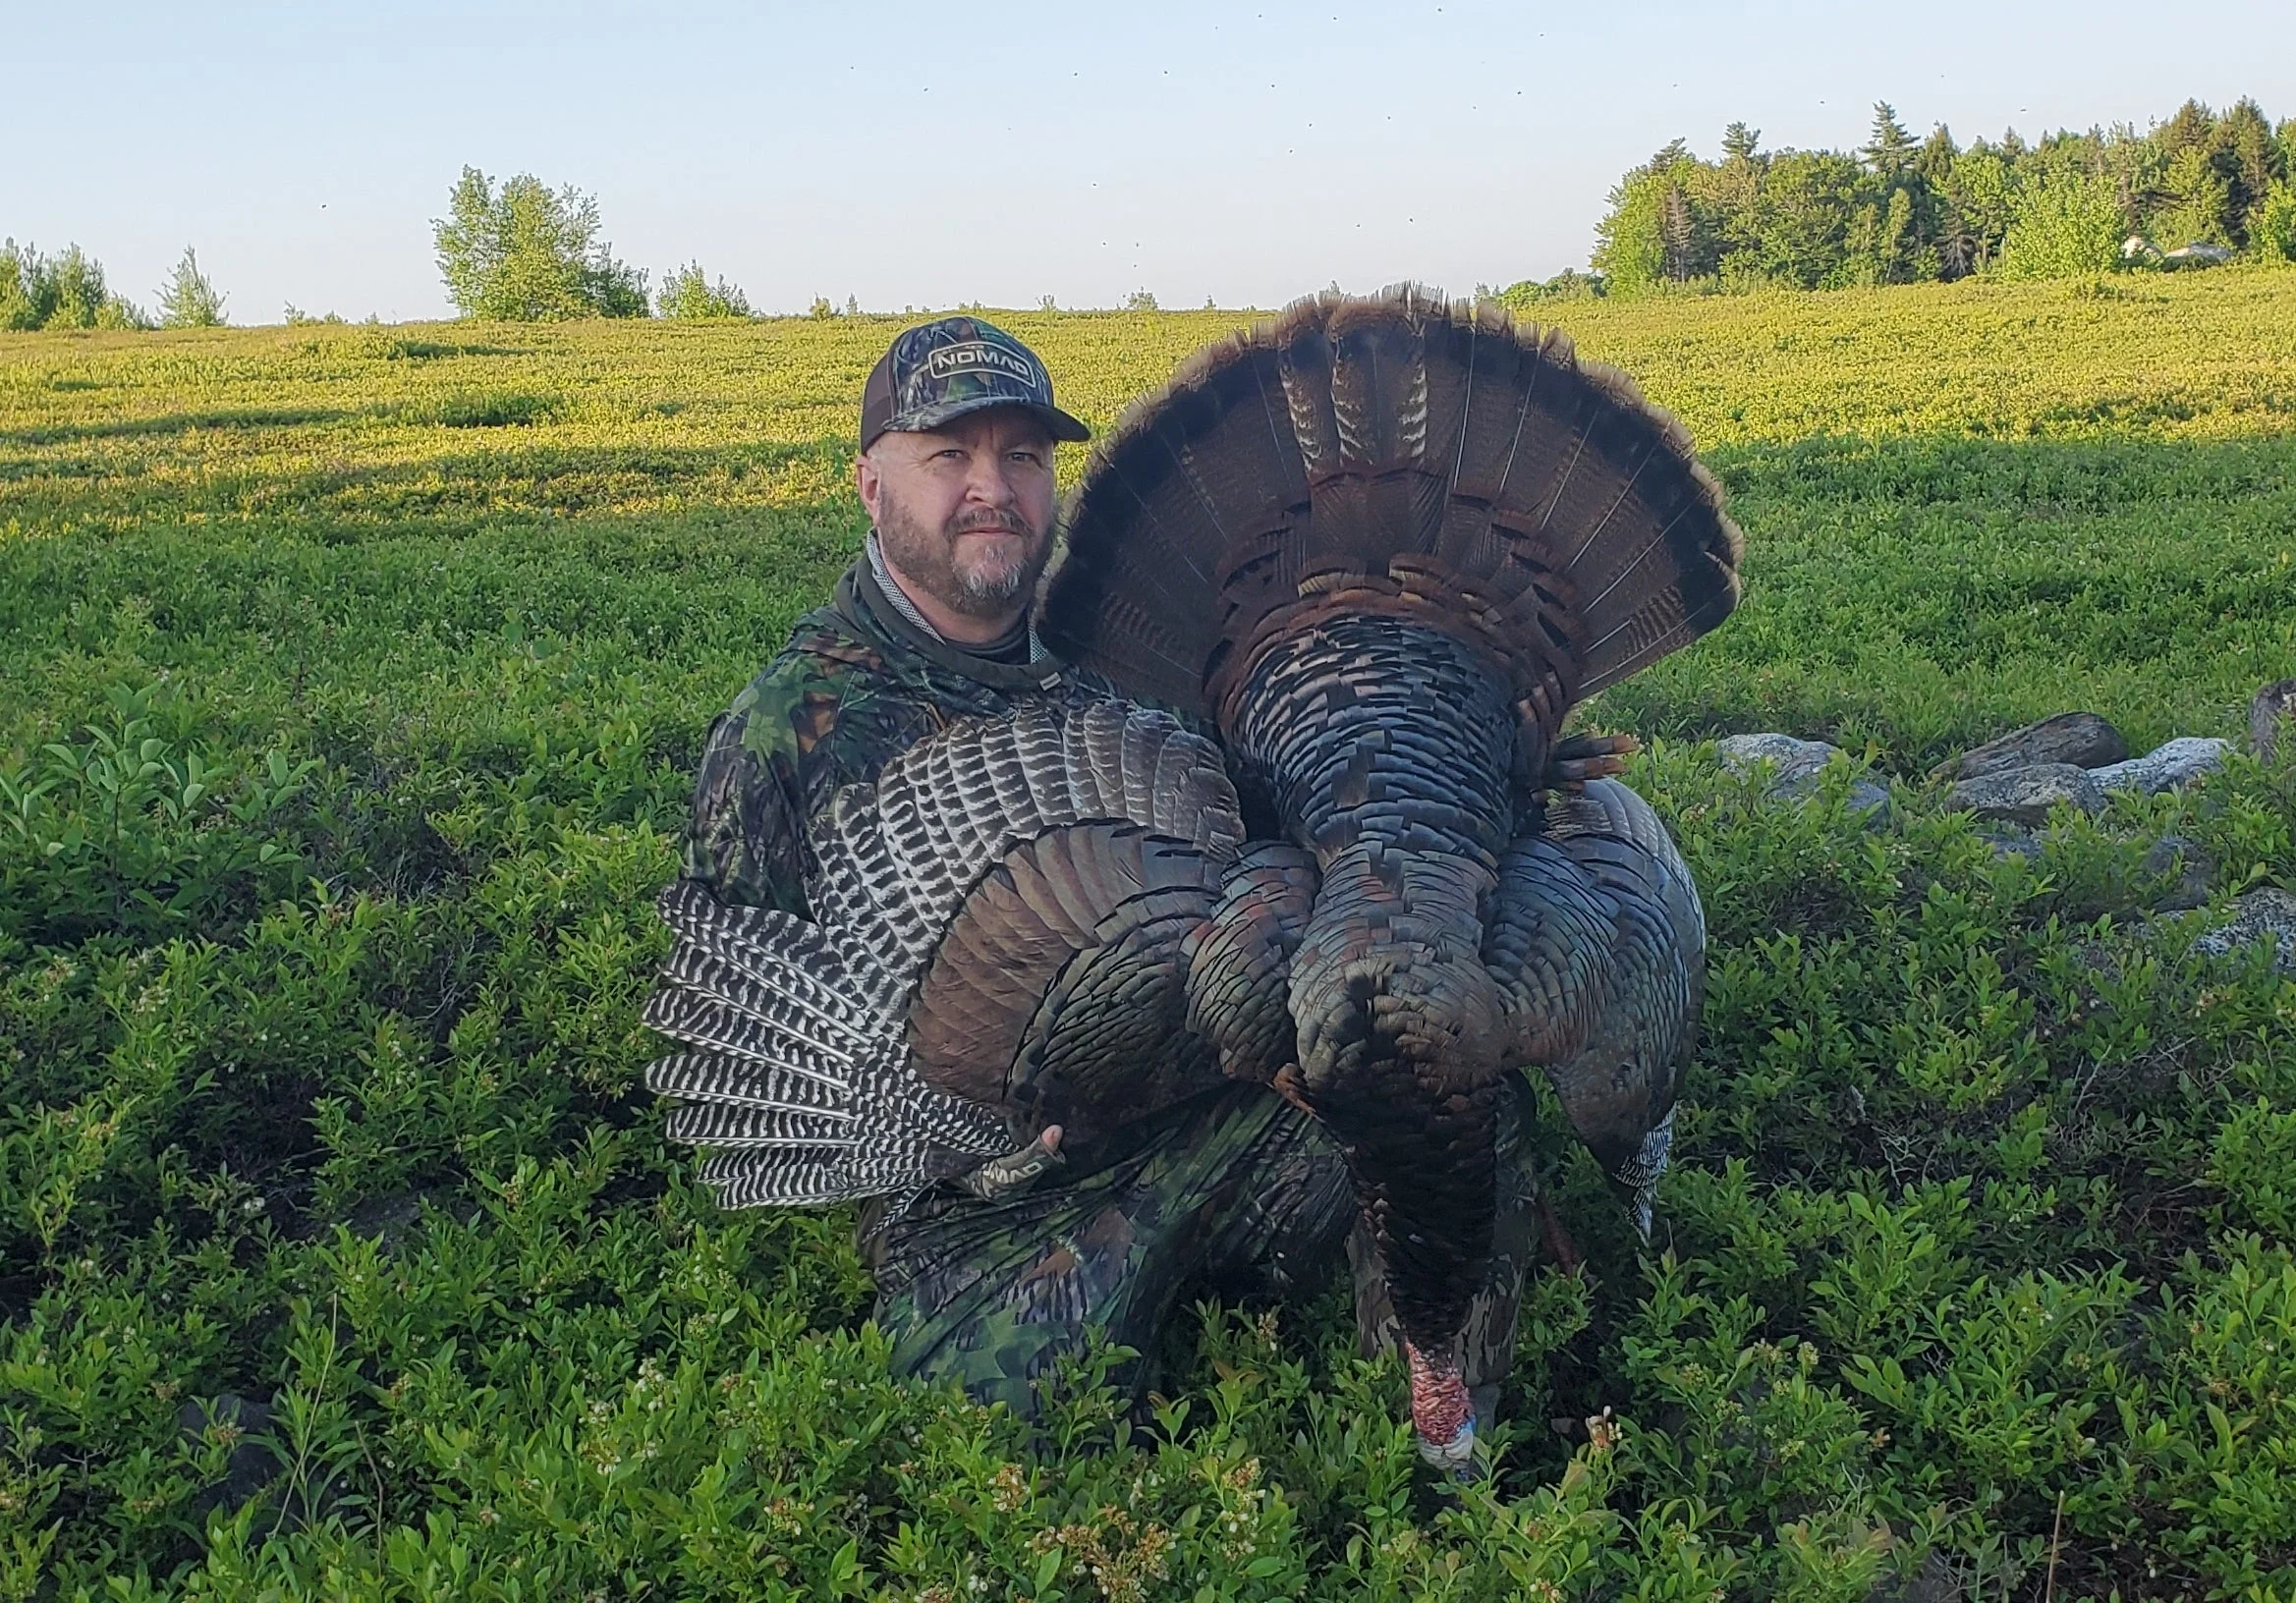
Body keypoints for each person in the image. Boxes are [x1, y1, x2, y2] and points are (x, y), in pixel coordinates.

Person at [680, 315, 1528, 1424]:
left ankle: (1451, 1470)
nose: (994, 488)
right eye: (949, 455)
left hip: (1207, 1090)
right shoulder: (795, 729)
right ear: (870, 485)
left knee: (1446, 1089)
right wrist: (958, 1149)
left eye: (1023, 456)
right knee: (1003, 1423)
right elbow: (752, 1030)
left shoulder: (1123, 658)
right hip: (987, 1192)